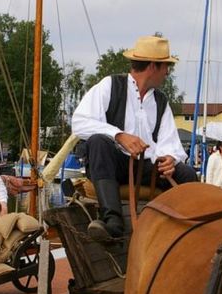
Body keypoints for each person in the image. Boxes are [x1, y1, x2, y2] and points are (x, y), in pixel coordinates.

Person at [71, 35, 197, 241]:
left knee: (187, 174)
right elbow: (80, 122)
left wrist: (169, 160)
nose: (167, 73)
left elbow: (170, 143)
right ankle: (112, 222)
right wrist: (118, 135)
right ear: (153, 66)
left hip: (146, 166)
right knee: (98, 142)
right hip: (112, 164)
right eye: (166, 67)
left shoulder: (160, 101)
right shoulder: (110, 85)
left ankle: (182, 233)